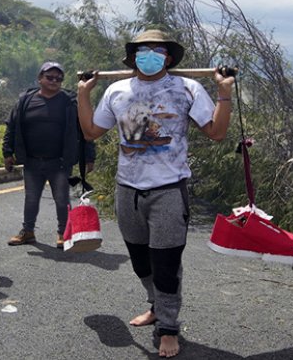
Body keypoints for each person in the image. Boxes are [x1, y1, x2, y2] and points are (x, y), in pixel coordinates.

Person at [77, 29, 235, 358]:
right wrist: (83, 95)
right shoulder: (116, 90)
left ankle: (168, 327)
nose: (149, 54)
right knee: (140, 262)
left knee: (166, 263)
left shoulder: (187, 88)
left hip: (168, 189)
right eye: (142, 50)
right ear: (132, 56)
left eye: (157, 50)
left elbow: (216, 133)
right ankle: (156, 306)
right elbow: (91, 131)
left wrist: (223, 94)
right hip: (127, 189)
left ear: (169, 57)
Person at [3, 61, 96, 248]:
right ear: (40, 79)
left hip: (60, 162)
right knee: (31, 199)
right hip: (31, 161)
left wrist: (89, 156)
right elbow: (12, 127)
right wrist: (7, 152)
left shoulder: (70, 103)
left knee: (62, 199)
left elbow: (84, 130)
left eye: (58, 78)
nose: (54, 80)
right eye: (50, 77)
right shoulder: (25, 101)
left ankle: (64, 233)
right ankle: (27, 232)